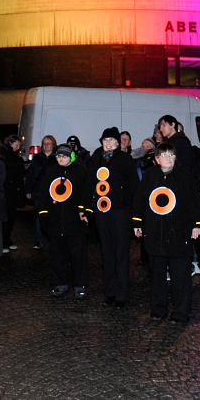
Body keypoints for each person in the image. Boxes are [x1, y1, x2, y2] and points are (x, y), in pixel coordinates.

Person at [133, 141, 200, 322]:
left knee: (180, 277)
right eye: (164, 155)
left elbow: (195, 203)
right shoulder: (149, 176)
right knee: (157, 276)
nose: (168, 158)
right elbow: (139, 201)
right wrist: (137, 223)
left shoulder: (185, 177)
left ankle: (181, 312)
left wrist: (198, 224)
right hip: (155, 235)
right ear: (156, 159)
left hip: (179, 236)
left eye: (171, 155)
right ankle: (159, 310)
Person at [88, 127, 140, 308]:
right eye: (105, 140)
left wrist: (137, 214)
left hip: (120, 212)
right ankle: (109, 293)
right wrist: (88, 208)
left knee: (121, 254)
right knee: (107, 253)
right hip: (101, 212)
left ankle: (122, 295)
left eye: (111, 140)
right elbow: (89, 184)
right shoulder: (96, 159)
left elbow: (135, 186)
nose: (108, 143)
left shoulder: (125, 159)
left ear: (118, 143)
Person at [39, 144, 91, 297]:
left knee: (78, 255)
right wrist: (44, 214)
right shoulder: (51, 173)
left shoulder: (81, 172)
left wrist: (84, 211)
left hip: (75, 223)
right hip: (56, 223)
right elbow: (43, 196)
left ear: (71, 157)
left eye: (64, 156)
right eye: (59, 156)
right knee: (58, 255)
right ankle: (60, 283)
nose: (61, 158)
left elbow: (87, 193)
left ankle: (79, 285)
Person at [25, 134, 57, 249]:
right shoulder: (37, 157)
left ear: (53, 145)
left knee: (53, 216)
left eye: (48, 143)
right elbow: (31, 174)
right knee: (40, 216)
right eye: (44, 143)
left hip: (53, 192)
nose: (46, 145)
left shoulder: (57, 158)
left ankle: (53, 239)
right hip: (39, 191)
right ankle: (39, 239)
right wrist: (28, 190)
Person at [158, 115, 200, 190]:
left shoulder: (180, 142)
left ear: (173, 125)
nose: (161, 129)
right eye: (160, 126)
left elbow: (183, 166)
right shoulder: (171, 141)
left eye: (163, 125)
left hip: (180, 185)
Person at [0, 135, 26, 252]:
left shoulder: (14, 155)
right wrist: (21, 161)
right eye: (16, 145)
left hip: (14, 189)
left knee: (11, 216)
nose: (18, 148)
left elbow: (18, 170)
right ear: (11, 143)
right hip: (6, 189)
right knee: (5, 216)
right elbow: (8, 165)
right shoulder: (3, 151)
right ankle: (2, 242)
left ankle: (7, 239)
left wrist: (25, 166)